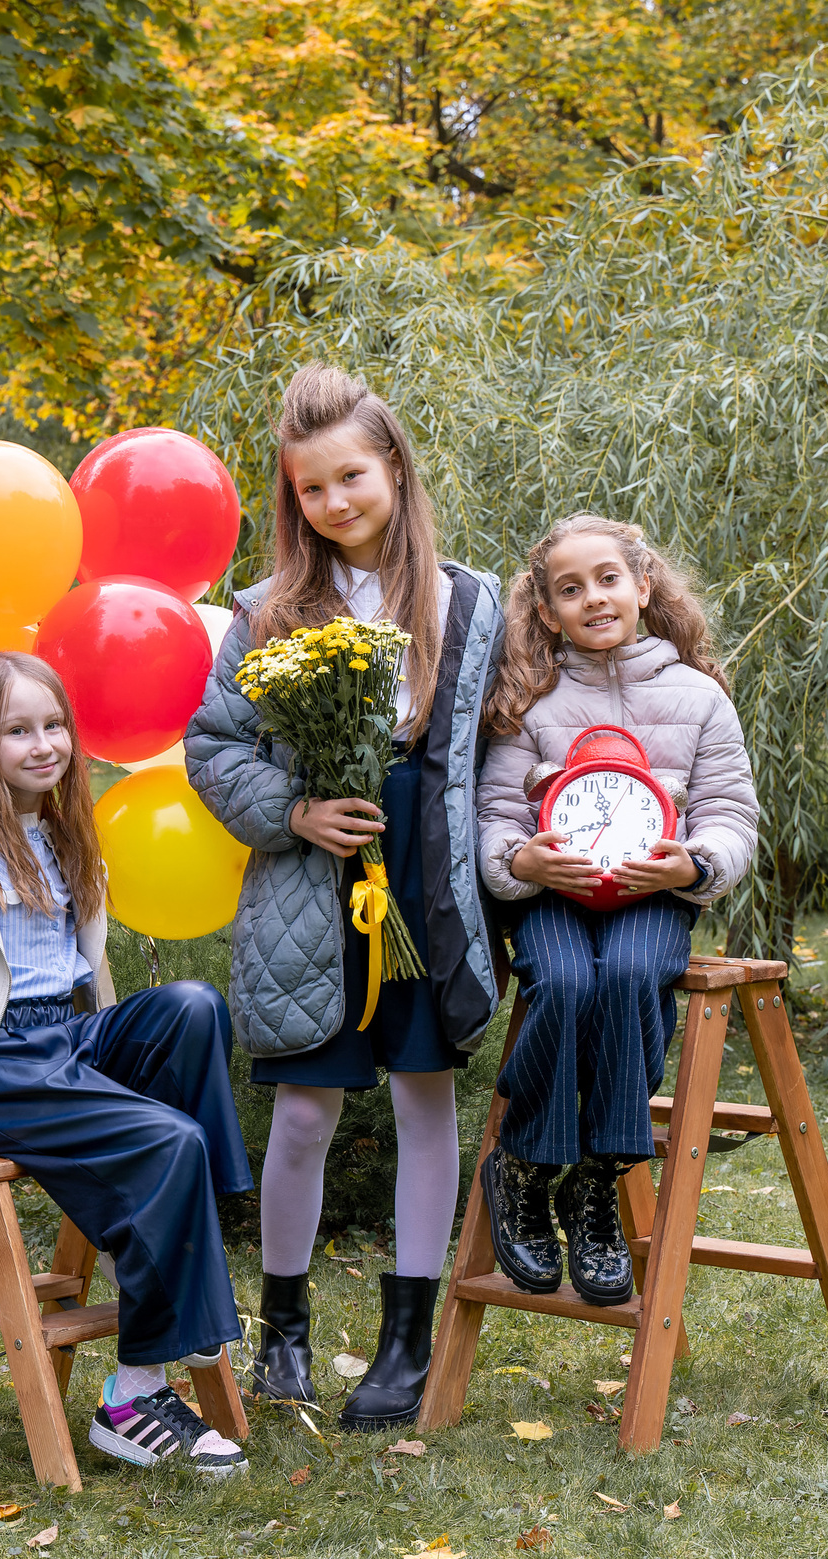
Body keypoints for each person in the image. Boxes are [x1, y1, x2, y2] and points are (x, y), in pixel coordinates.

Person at [186, 364, 504, 1432]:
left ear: (394, 469)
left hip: (422, 880)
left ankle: (406, 1342)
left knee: (423, 1098)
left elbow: (506, 741)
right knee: (308, 1111)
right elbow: (213, 744)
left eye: (351, 478)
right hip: (311, 886)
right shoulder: (267, 611)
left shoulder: (466, 600)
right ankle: (283, 1327)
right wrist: (293, 810)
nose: (334, 503)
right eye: (310, 490)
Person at [0, 652, 252, 1477]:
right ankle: (130, 1398)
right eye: (16, 730)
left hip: (66, 1038)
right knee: (171, 1142)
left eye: (53, 725)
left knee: (193, 1005)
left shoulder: (64, 823)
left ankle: (193, 1222)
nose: (42, 744)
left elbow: (77, 967)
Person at [475, 514, 760, 1304]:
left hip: (647, 892)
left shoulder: (699, 698)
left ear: (643, 585)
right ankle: (526, 1166)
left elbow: (731, 815)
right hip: (555, 895)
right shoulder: (529, 700)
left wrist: (694, 863)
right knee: (563, 984)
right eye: (571, 589)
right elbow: (497, 811)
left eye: (608, 578)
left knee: (635, 972)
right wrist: (516, 860)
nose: (593, 598)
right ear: (547, 611)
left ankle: (595, 1183)